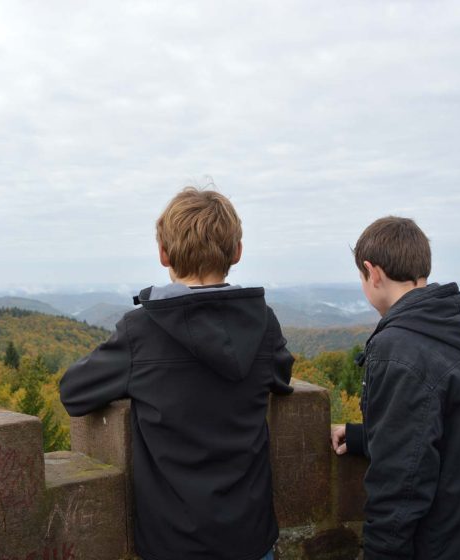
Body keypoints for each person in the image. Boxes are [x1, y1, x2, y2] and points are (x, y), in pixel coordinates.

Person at [60, 187, 294, 560]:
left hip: (172, 543)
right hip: (250, 538)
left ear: (163, 253)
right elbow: (281, 380)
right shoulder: (264, 324)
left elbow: (74, 393)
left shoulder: (140, 331)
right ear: (237, 252)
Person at [331, 216, 460, 560]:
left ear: (372, 272)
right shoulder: (452, 323)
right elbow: (449, 429)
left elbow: (397, 488)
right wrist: (364, 436)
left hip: (452, 546)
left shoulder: (399, 348)